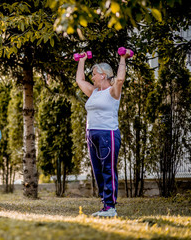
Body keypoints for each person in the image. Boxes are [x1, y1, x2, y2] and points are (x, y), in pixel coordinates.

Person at [75, 49, 131, 217]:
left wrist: (122, 57)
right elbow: (79, 79)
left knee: (108, 169)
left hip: (108, 134)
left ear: (104, 75)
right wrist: (82, 60)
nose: (92, 77)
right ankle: (105, 205)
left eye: (94, 74)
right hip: (91, 135)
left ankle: (110, 207)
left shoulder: (113, 92)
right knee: (98, 171)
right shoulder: (94, 92)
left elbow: (120, 78)